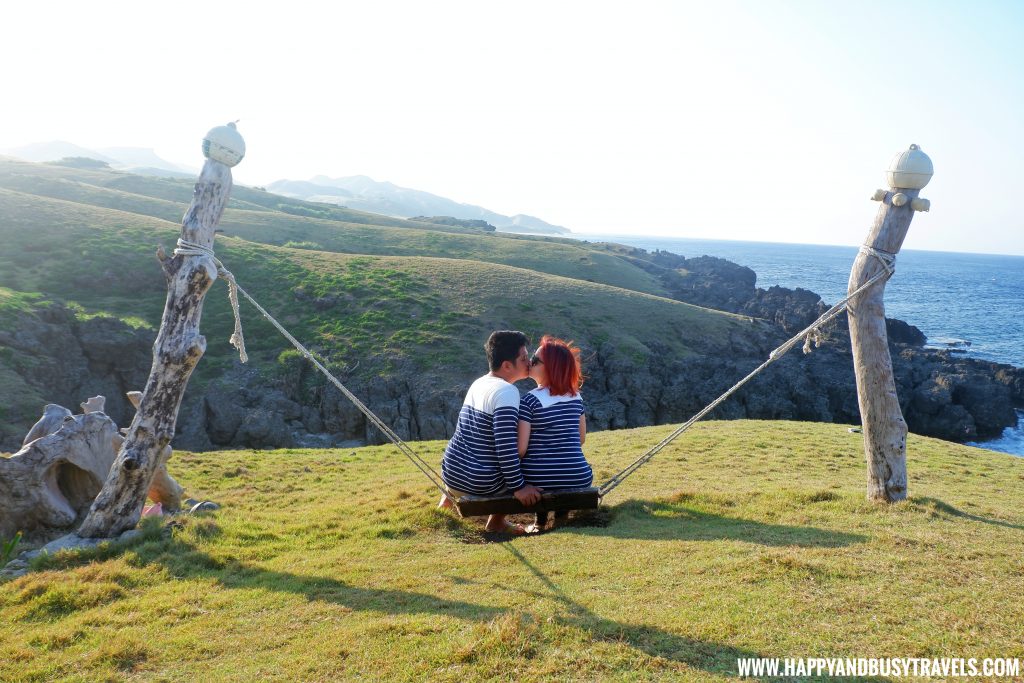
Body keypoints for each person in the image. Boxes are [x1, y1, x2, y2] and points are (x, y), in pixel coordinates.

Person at [439, 330, 543, 535]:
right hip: (480, 483)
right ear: (507, 365)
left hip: (451, 474)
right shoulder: (507, 392)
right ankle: (496, 522)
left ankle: (445, 505)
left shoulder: (479, 383)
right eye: (523, 358)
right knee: (526, 459)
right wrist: (520, 487)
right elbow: (505, 447)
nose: (528, 363)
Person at [517, 336, 593, 499]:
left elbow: (521, 450)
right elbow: (581, 439)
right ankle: (560, 516)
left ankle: (540, 521)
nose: (530, 362)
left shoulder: (529, 401)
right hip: (579, 477)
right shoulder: (576, 398)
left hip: (539, 480)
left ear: (551, 368)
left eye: (535, 360)